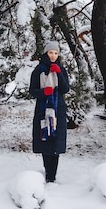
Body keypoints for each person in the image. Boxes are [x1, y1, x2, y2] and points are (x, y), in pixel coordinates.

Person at [29, 40, 70, 183]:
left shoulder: (61, 68)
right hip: (43, 110)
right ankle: (48, 174)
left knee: (56, 144)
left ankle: (53, 176)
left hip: (58, 110)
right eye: (51, 52)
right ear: (46, 53)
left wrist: (59, 74)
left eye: (56, 53)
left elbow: (65, 89)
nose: (53, 56)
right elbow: (32, 91)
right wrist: (43, 92)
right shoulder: (39, 70)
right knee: (45, 142)